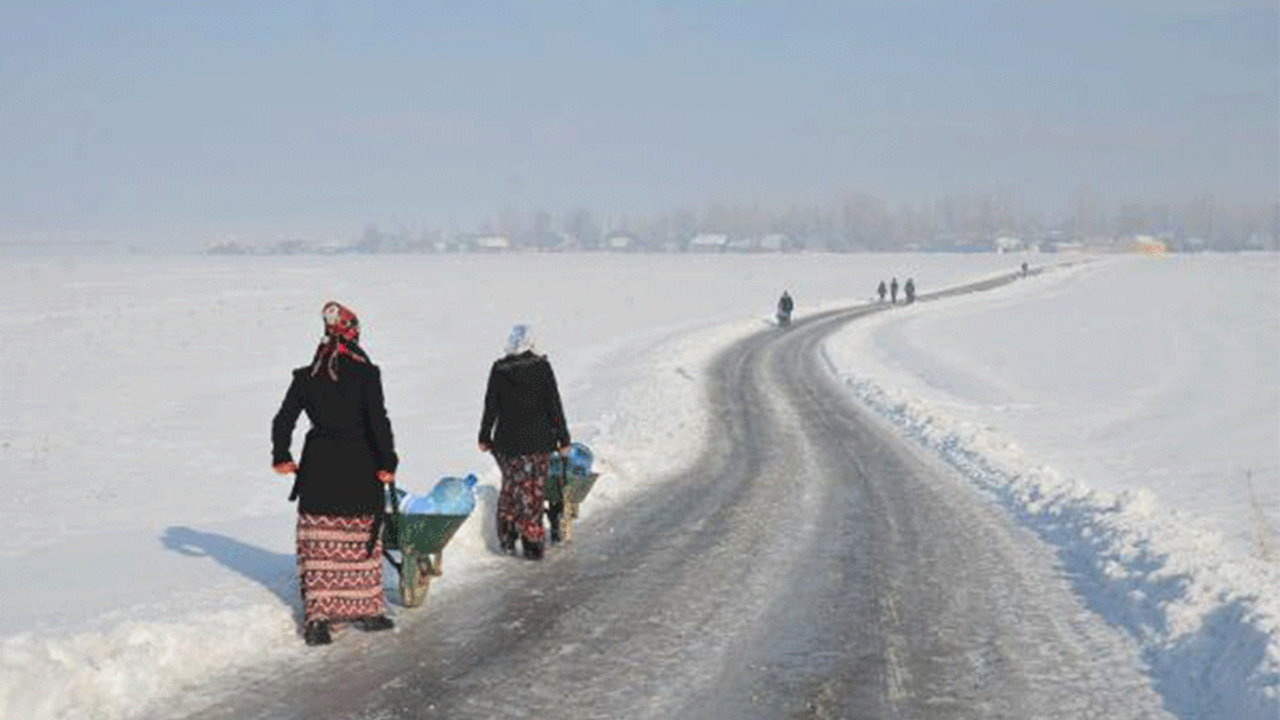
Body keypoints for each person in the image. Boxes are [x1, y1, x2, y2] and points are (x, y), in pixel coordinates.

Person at [272, 301, 398, 646]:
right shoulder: (367, 374)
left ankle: (318, 620)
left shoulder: (306, 376)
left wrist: (281, 455)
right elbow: (378, 422)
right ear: (353, 332)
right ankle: (367, 612)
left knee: (319, 545)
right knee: (360, 540)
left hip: (320, 469)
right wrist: (388, 462)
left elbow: (283, 420)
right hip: (360, 466)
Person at [479, 324, 571, 560]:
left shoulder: (499, 368)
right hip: (538, 442)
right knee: (533, 490)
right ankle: (532, 541)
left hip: (507, 443)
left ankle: (507, 536)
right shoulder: (541, 366)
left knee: (511, 486)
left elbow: (491, 405)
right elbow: (553, 403)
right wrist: (563, 438)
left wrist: (484, 436)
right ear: (531, 343)